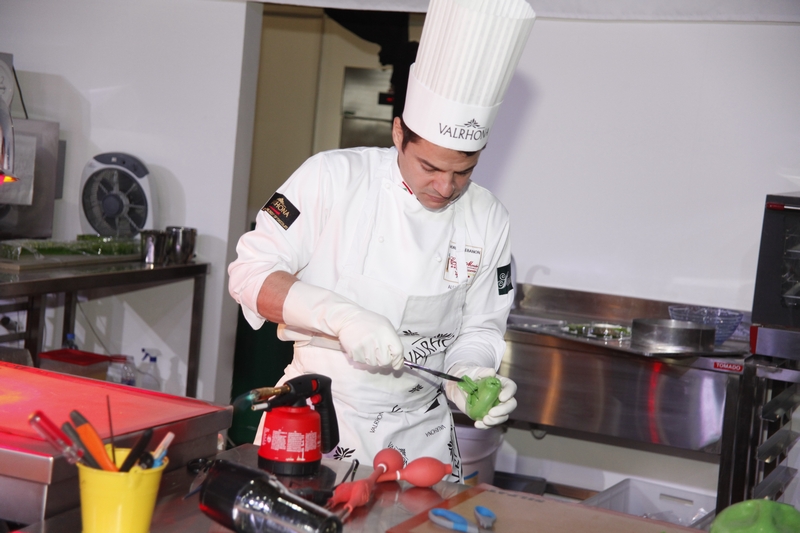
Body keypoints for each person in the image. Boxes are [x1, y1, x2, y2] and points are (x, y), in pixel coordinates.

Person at [228, 0, 535, 481]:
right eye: (430, 167)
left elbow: (479, 328)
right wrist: (341, 316)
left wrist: (471, 375)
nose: (446, 187)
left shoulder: (488, 217)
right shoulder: (331, 178)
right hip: (323, 415)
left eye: (464, 171)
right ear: (398, 133)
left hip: (422, 431)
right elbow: (249, 276)